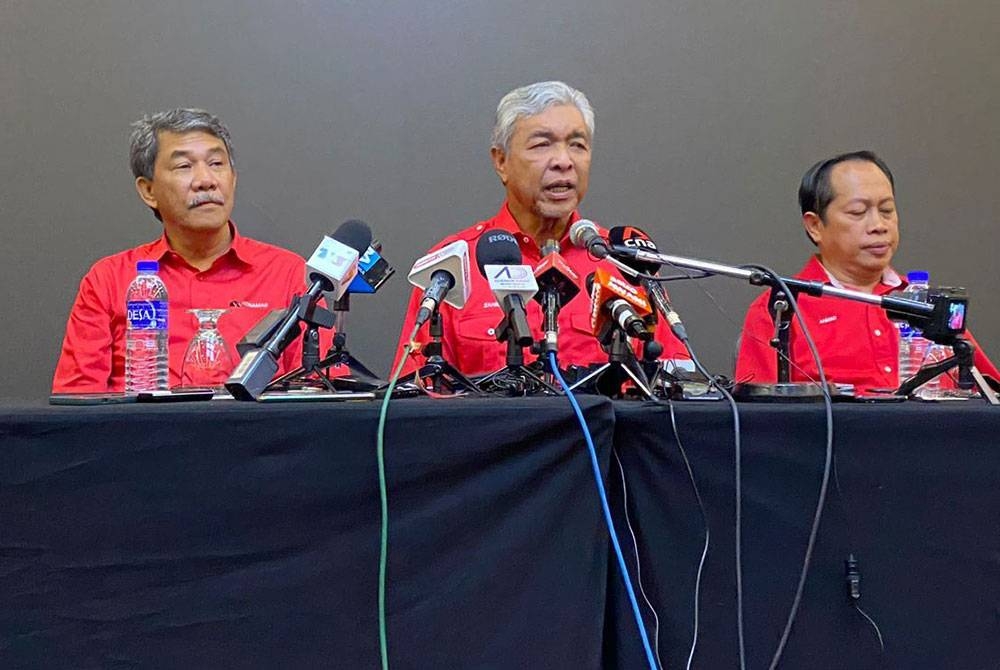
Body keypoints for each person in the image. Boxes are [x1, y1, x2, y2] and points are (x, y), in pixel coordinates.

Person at [393, 81, 689, 378]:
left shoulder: (623, 263)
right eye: (542, 145)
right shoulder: (451, 265)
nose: (563, 161)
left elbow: (676, 388)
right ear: (501, 162)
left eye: (577, 145)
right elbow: (414, 398)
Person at [53, 108, 324, 392]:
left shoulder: (288, 274)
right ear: (148, 191)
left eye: (217, 163)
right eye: (184, 166)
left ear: (233, 178)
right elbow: (77, 404)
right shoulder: (109, 280)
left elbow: (321, 391)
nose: (206, 180)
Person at [734, 150, 998, 390]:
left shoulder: (926, 303)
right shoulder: (780, 309)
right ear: (815, 226)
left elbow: (989, 394)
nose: (878, 225)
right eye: (858, 212)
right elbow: (760, 422)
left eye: (886, 210)